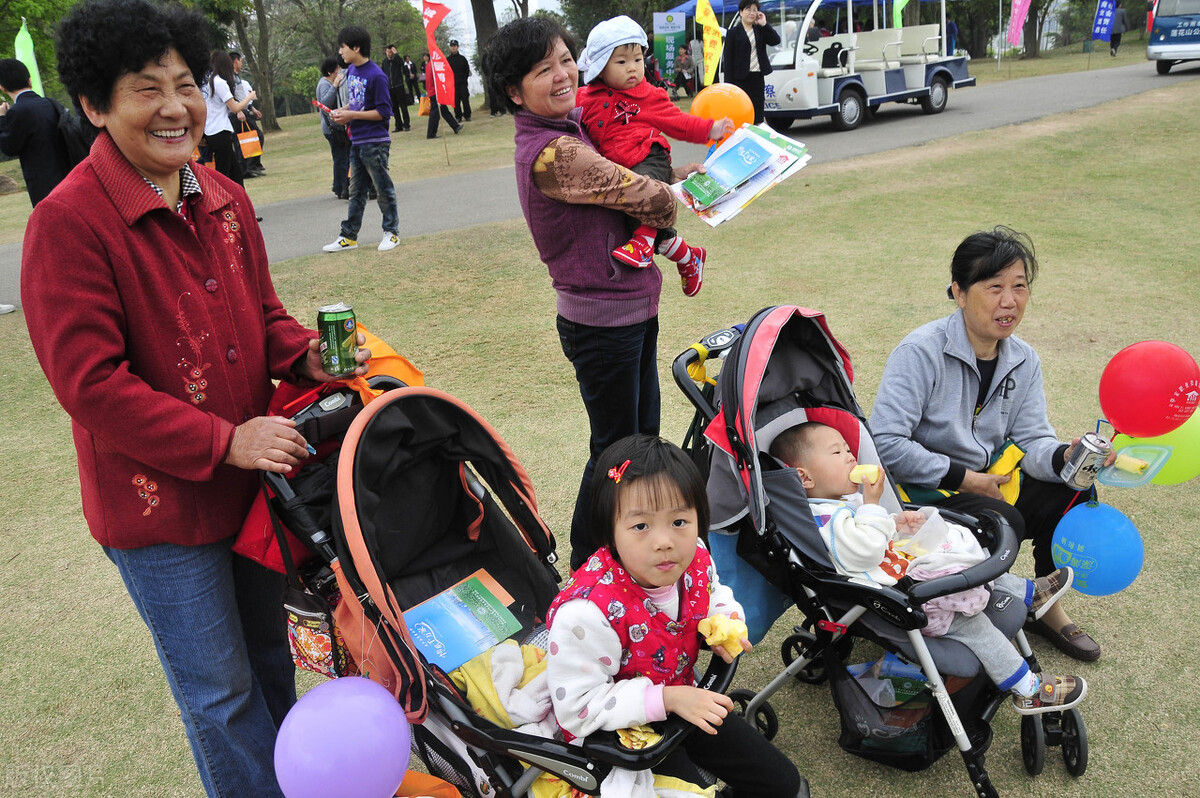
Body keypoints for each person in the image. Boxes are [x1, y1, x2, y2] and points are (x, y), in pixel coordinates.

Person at [20, 1, 372, 795]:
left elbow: (264, 314)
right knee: (221, 696)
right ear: (94, 104)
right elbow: (91, 386)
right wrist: (226, 442)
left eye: (186, 84)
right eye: (148, 89)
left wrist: (304, 356)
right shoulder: (68, 222)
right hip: (160, 514)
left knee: (271, 665)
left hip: (254, 494)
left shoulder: (220, 193)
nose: (176, 107)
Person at [482, 16, 699, 570]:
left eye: (565, 59)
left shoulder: (573, 127)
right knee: (614, 451)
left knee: (639, 438)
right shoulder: (556, 153)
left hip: (628, 309)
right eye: (542, 69)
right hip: (601, 321)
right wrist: (686, 187)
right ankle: (587, 562)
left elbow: (637, 171)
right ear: (514, 91)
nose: (562, 75)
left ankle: (622, 553)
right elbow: (648, 199)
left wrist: (675, 175)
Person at [870, 226, 1115, 662]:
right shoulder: (920, 351)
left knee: (1074, 488)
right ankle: (988, 609)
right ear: (959, 293)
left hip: (989, 483)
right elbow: (886, 443)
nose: (1010, 301)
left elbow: (1034, 438)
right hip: (925, 494)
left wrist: (1066, 456)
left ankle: (1047, 607)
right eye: (995, 287)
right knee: (1001, 517)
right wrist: (965, 478)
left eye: (1020, 287)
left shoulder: (1024, 358)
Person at [546, 434, 809, 798]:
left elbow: (714, 593)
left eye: (679, 521)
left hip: (683, 701)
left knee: (786, 786)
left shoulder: (695, 557)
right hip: (619, 735)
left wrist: (725, 618)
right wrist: (667, 699)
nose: (664, 541)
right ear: (609, 532)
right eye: (641, 526)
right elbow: (577, 709)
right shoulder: (587, 614)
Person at [769, 422, 1089, 716]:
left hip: (906, 572)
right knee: (973, 625)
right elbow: (862, 552)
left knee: (962, 560)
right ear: (805, 478)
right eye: (837, 452)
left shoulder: (842, 502)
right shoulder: (825, 518)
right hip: (900, 599)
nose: (850, 456)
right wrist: (870, 503)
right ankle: (1027, 688)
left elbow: (870, 532)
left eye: (848, 449)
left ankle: (1029, 593)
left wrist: (894, 522)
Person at [575, 16, 730, 297]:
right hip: (622, 171)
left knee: (645, 196)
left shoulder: (648, 95)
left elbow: (678, 122)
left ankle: (643, 244)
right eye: (621, 62)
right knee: (635, 218)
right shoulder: (585, 98)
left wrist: (711, 128)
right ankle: (689, 257)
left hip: (651, 157)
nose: (632, 68)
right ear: (599, 67)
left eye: (637, 59)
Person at [322, 26, 401, 253]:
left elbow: (383, 112)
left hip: (375, 142)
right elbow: (357, 104)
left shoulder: (377, 75)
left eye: (343, 47)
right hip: (356, 141)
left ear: (356, 48)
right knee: (355, 192)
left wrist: (351, 115)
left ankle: (392, 232)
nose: (340, 52)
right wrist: (342, 111)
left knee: (383, 188)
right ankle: (349, 236)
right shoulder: (352, 72)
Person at [0, 57, 72, 206]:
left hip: (42, 185)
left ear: (3, 88)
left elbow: (9, 147)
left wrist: (1, 118)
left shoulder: (18, 111)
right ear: (29, 81)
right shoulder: (49, 103)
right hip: (67, 176)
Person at [720, 0, 780, 125]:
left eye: (754, 10)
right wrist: (729, 86)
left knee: (758, 112)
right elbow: (728, 59)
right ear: (741, 12)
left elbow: (775, 40)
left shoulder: (760, 29)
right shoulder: (733, 32)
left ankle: (757, 136)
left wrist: (764, 24)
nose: (752, 13)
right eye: (748, 9)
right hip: (740, 79)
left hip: (757, 76)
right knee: (743, 111)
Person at [202, 50, 254, 185]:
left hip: (211, 131)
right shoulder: (218, 82)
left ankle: (241, 201)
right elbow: (235, 108)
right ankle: (221, 202)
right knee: (223, 174)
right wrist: (249, 97)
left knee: (235, 172)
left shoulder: (206, 82)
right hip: (220, 131)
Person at [317, 57, 350, 199]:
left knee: (341, 157)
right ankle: (340, 187)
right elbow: (324, 103)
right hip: (332, 128)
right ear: (330, 72)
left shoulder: (326, 82)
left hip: (333, 127)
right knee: (340, 158)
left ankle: (339, 185)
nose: (339, 71)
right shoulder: (324, 84)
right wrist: (335, 85)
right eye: (337, 69)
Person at [228, 51, 265, 177]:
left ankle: (251, 166)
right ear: (236, 61)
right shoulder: (230, 77)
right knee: (243, 141)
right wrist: (238, 111)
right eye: (241, 61)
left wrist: (252, 109)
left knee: (253, 138)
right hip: (237, 113)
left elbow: (241, 96)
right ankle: (245, 169)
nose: (241, 63)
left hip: (243, 110)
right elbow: (231, 97)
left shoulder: (237, 77)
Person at [425, 51, 463, 138]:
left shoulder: (428, 65)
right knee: (435, 114)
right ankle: (431, 133)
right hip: (435, 92)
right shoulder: (433, 66)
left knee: (444, 111)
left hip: (433, 91)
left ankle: (455, 126)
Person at [382, 44, 411, 132]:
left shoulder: (397, 60)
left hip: (398, 86)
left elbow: (402, 65)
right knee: (394, 107)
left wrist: (396, 54)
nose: (388, 54)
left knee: (403, 106)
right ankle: (398, 125)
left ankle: (406, 124)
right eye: (387, 52)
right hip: (390, 87)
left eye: (390, 52)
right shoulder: (385, 62)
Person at [446, 39, 472, 122]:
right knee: (455, 102)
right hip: (453, 85)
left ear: (457, 47)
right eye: (451, 46)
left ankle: (467, 115)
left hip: (462, 84)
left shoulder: (462, 59)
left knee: (465, 100)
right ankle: (458, 116)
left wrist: (464, 80)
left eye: (454, 46)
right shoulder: (448, 60)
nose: (453, 48)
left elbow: (467, 70)